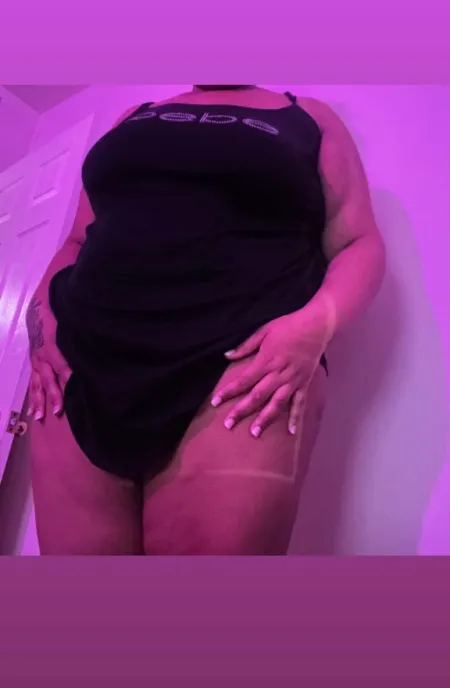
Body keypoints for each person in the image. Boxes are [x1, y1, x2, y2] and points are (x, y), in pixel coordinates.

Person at [26, 85, 385, 555]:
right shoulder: (133, 115)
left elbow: (358, 242)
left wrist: (314, 326)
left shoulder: (308, 116)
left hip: (242, 363)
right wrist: (40, 324)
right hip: (78, 362)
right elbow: (76, 241)